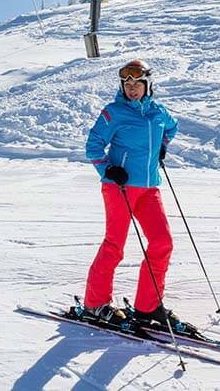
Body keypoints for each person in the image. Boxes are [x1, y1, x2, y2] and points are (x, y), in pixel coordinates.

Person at [79, 58, 182, 330]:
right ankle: (94, 304)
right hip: (119, 187)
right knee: (115, 245)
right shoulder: (114, 112)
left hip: (149, 188)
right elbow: (93, 145)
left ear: (147, 85)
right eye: (127, 84)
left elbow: (172, 127)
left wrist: (162, 146)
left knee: (163, 242)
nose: (132, 88)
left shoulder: (158, 112)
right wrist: (108, 169)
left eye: (137, 83)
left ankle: (148, 306)